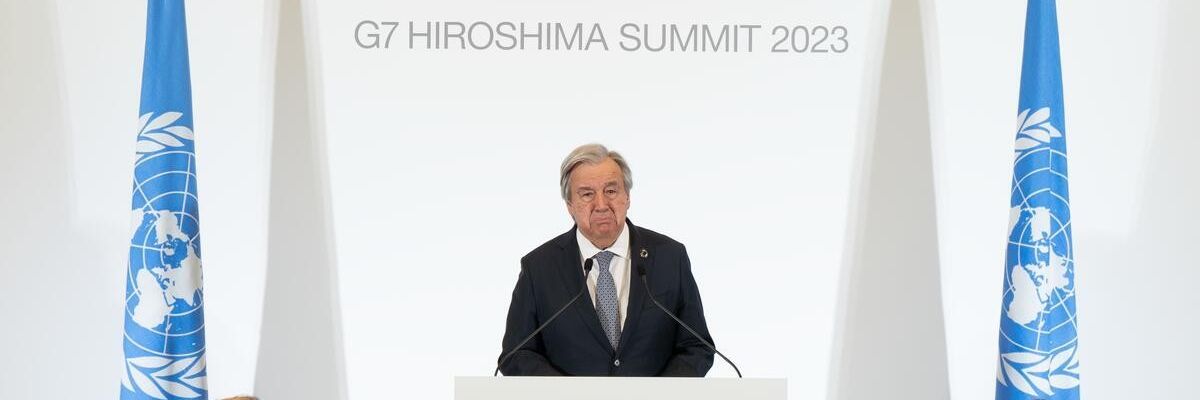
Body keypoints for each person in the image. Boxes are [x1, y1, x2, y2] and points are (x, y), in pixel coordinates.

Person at [498, 143, 715, 376]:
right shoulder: (539, 268)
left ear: (627, 197)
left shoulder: (670, 257)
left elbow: (696, 347)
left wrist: (658, 395)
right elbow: (516, 354)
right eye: (587, 194)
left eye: (611, 191)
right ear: (570, 205)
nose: (601, 205)